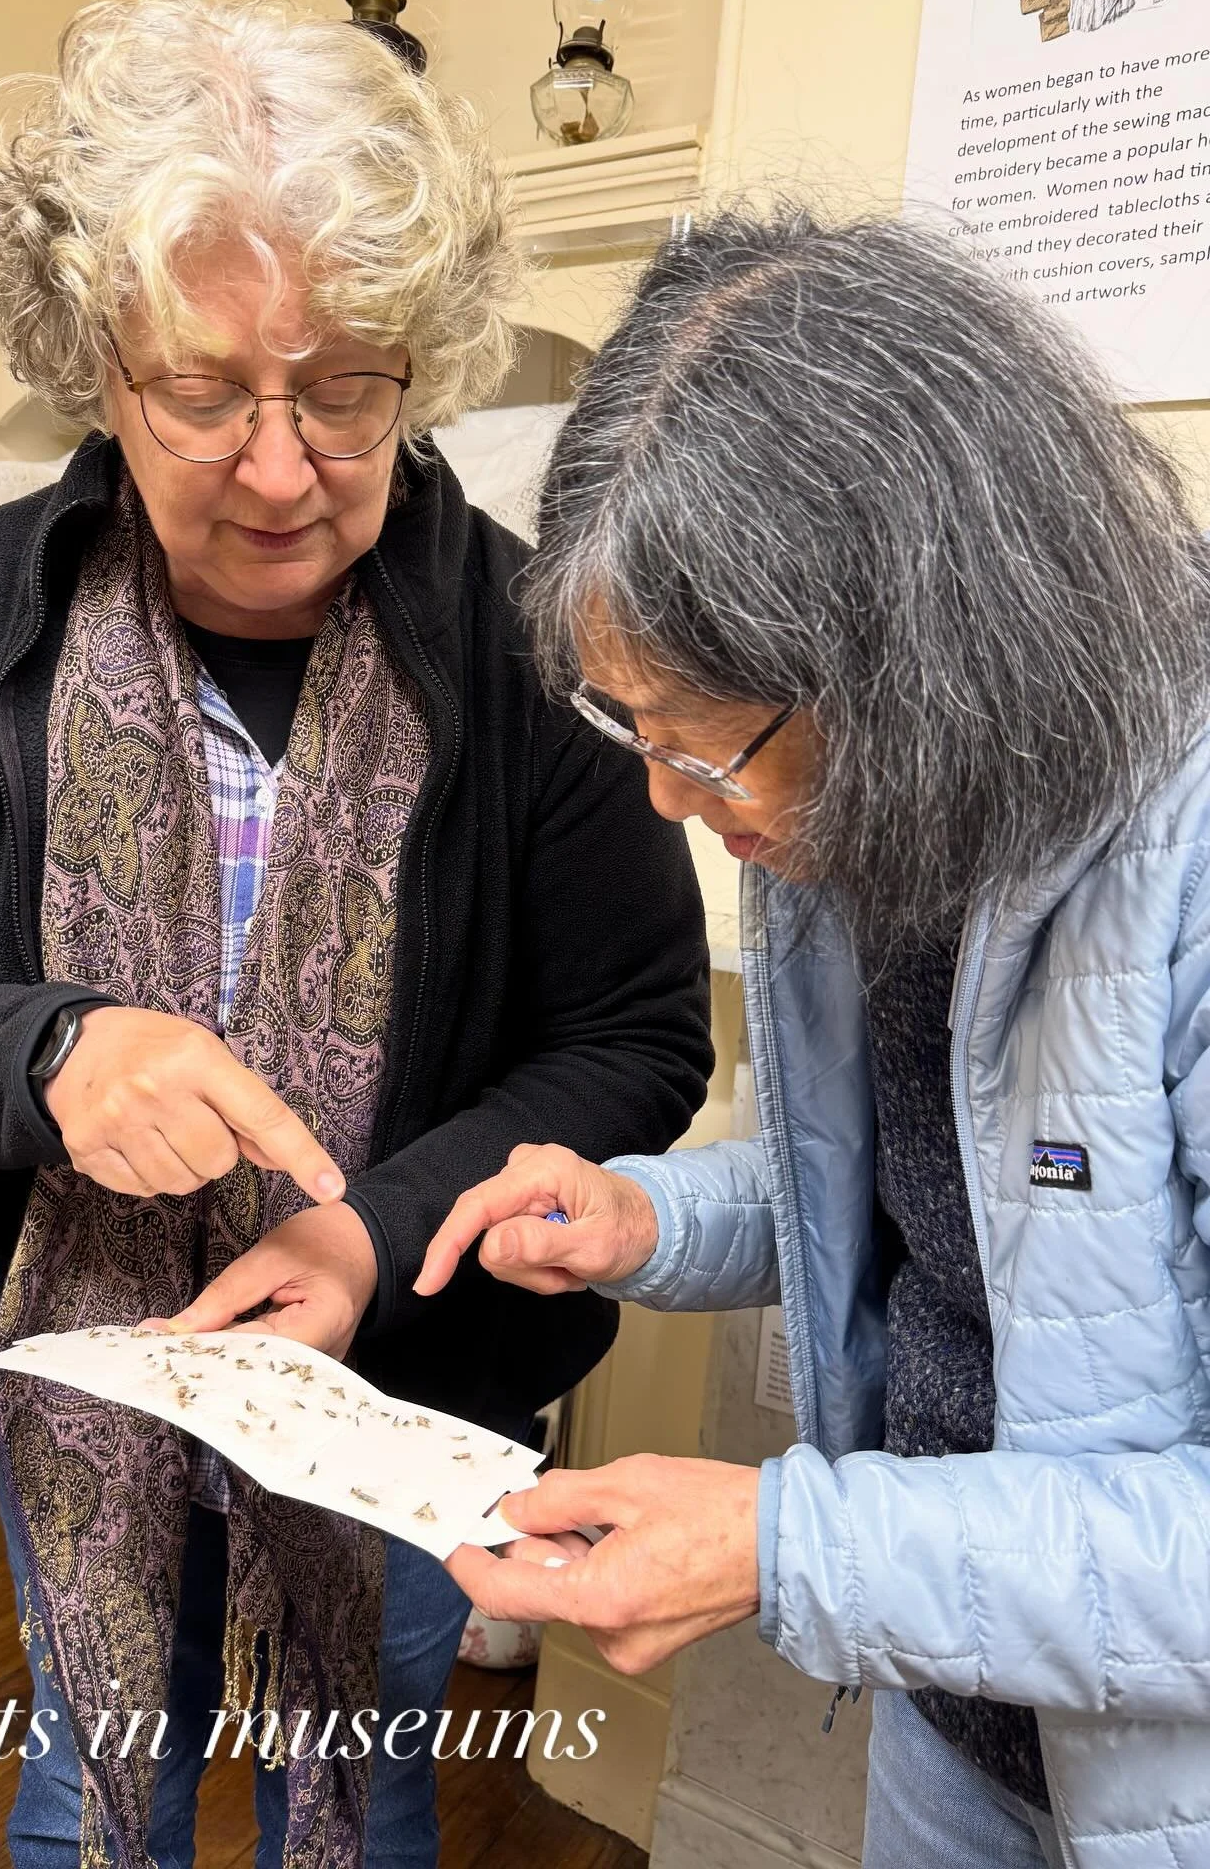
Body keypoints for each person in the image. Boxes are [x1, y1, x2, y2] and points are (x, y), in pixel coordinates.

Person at [0, 0, 712, 1869]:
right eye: (203, 392)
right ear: (98, 371)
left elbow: (638, 1039)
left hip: (399, 1404)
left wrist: (368, 1234)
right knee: (83, 1796)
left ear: (419, 365)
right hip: (71, 1401)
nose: (279, 468)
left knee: (359, 1803)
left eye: (346, 386)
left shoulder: (531, 649)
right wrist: (49, 1054)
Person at [419, 207, 1210, 1869]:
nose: (672, 804)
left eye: (709, 753)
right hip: (953, 1702)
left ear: (930, 645)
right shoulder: (862, 815)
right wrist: (653, 1218)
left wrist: (785, 1547)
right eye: (637, 733)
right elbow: (947, 1216)